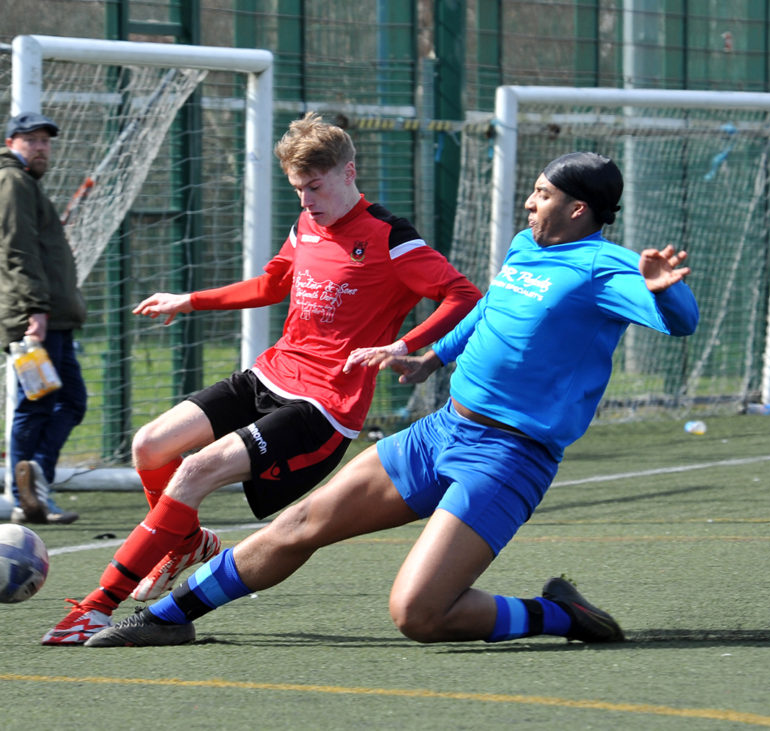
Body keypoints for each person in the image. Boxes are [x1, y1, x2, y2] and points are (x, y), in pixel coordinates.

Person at [84, 150, 700, 648]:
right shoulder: (526, 245)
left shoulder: (606, 268)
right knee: (297, 525)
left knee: (418, 614)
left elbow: (679, 321)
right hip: (443, 430)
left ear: (579, 209)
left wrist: (666, 292)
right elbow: (486, 309)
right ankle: (167, 617)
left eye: (542, 194)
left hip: (509, 457)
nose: (529, 201)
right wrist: (431, 356)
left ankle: (559, 616)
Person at [41, 111, 481, 644]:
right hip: (269, 374)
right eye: (297, 188)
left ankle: (96, 606)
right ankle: (187, 543)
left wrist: (405, 345)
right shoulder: (306, 225)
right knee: (150, 447)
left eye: (314, 186)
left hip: (322, 406)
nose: (305, 200)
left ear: (348, 171)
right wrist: (191, 300)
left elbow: (463, 295)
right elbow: (273, 285)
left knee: (195, 471)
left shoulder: (391, 237)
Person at [0, 112, 87, 525]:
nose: (41, 147)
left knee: (70, 401)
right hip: (36, 316)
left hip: (50, 314)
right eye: (31, 139)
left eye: (45, 140)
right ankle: (27, 494)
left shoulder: (22, 184)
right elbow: (17, 252)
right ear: (11, 142)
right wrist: (35, 310)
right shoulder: (11, 182)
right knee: (36, 404)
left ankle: (34, 482)